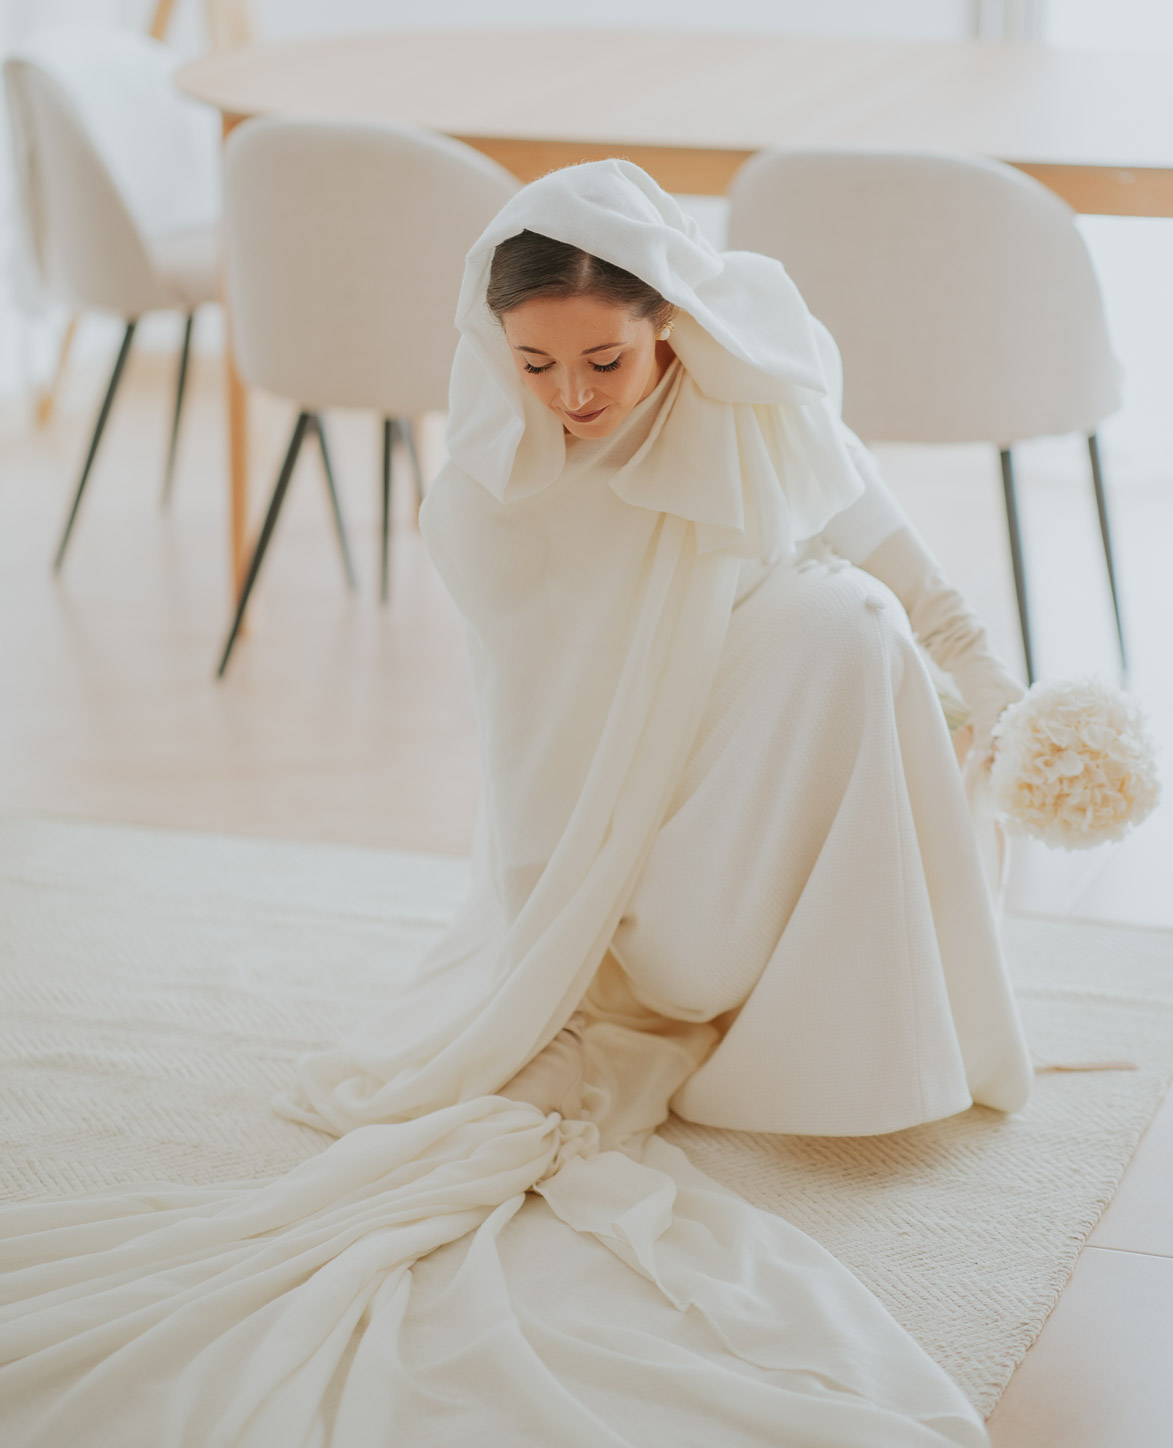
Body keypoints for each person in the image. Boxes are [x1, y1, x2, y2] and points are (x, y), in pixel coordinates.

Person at [0, 161, 1032, 1446]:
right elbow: (534, 747)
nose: (575, 398)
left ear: (675, 326)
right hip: (621, 828)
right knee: (815, 668)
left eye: (607, 359)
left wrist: (996, 690)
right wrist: (553, 948)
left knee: (851, 618)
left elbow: (901, 566)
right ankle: (695, 967)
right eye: (536, 366)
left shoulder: (755, 401)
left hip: (754, 746)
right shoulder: (499, 489)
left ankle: (831, 1000)